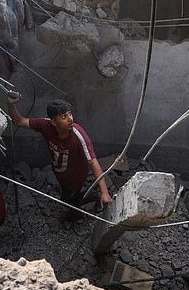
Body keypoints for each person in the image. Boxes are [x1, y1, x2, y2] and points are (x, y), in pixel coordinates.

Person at [7, 91, 111, 220]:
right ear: (53, 122)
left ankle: (80, 212)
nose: (70, 119)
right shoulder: (45, 125)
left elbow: (93, 162)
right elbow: (19, 121)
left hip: (75, 177)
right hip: (60, 174)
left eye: (70, 114)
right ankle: (85, 200)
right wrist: (11, 104)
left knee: (69, 200)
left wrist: (105, 192)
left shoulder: (78, 135)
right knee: (67, 196)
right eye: (63, 117)